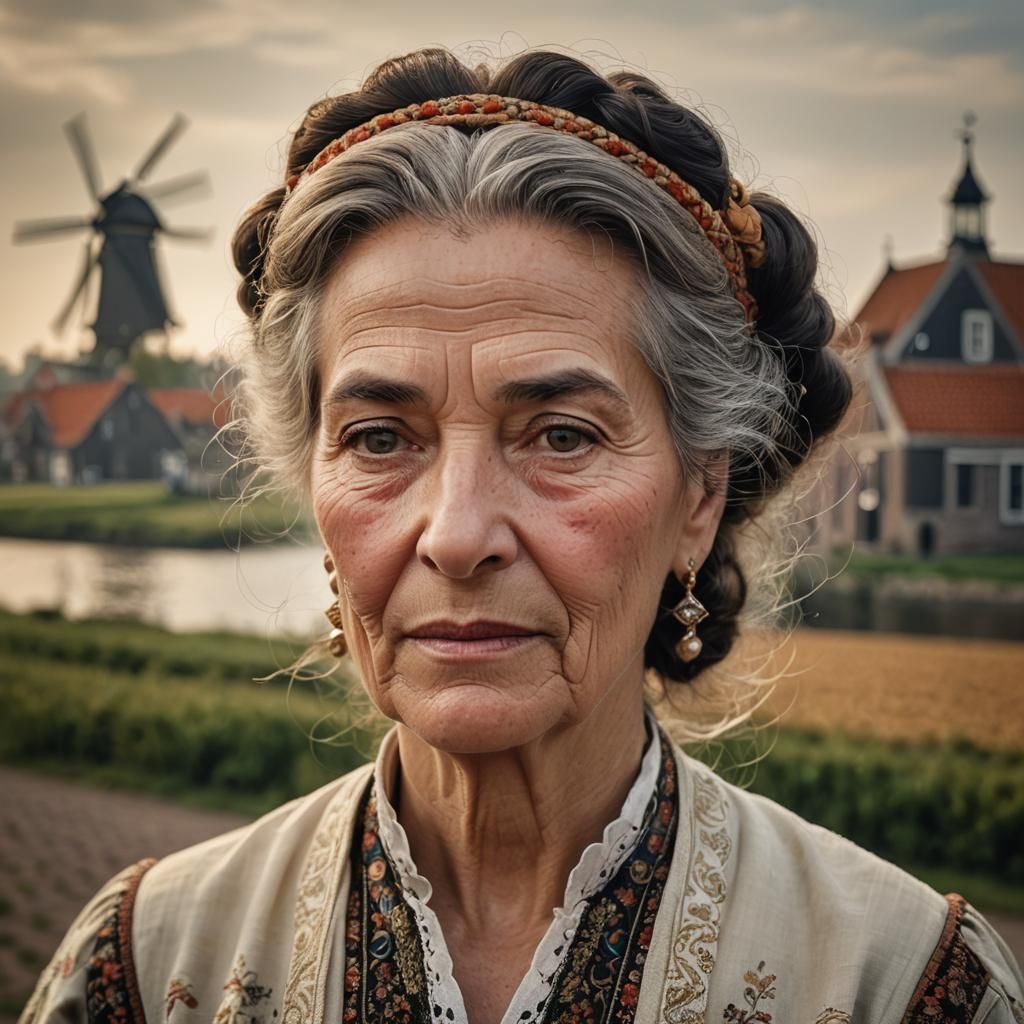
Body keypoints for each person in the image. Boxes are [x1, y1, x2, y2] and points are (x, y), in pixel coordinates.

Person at [20, 46, 1024, 1024]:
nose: (456, 536)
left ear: (699, 496)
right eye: (378, 437)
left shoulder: (899, 983)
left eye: (560, 435)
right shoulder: (147, 967)